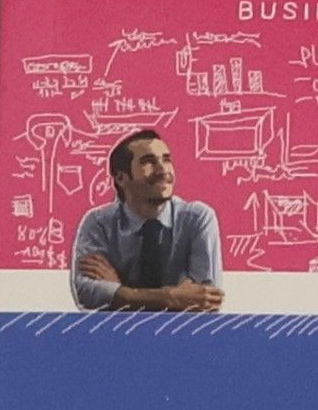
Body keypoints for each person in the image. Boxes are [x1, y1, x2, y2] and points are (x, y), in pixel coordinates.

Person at [71, 129, 225, 312]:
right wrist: (172, 298)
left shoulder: (197, 219)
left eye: (166, 159)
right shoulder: (99, 223)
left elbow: (207, 301)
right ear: (121, 177)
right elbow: (86, 294)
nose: (163, 170)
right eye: (148, 162)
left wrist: (123, 293)